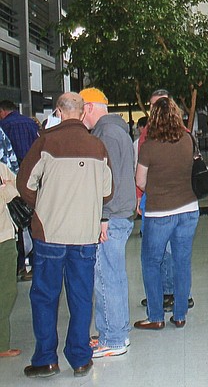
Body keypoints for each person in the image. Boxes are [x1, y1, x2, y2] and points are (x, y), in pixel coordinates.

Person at [17, 92, 113, 378]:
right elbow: (108, 193)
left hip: (50, 232)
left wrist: (46, 203)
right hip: (85, 234)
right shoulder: (98, 147)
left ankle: (46, 359)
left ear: (58, 111)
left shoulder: (45, 143)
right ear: (83, 113)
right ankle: (80, 358)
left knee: (45, 296)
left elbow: (24, 184)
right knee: (81, 296)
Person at [79, 88, 137, 358]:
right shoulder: (117, 131)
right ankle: (114, 331)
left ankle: (113, 339)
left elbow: (106, 179)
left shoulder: (106, 134)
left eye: (80, 111)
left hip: (111, 216)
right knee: (113, 275)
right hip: (118, 213)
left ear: (89, 108)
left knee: (106, 277)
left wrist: (102, 215)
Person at [134, 97, 199, 331]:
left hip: (160, 212)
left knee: (151, 262)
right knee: (182, 262)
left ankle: (156, 316)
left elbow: (140, 181)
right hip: (189, 209)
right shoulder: (188, 140)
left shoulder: (149, 145)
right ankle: (180, 314)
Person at [0, 99, 38, 281]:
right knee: (30, 218)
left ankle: (20, 265)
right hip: (34, 176)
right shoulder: (30, 123)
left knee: (15, 220)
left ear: (2, 111)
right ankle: (36, 263)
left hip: (14, 178)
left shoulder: (4, 126)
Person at [0, 161, 21, 358]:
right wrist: (6, 190)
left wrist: (8, 188)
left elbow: (18, 185)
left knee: (8, 290)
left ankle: (2, 341)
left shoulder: (0, 166)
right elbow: (9, 193)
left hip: (5, 237)